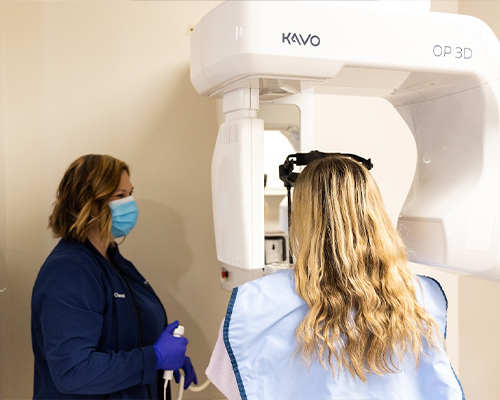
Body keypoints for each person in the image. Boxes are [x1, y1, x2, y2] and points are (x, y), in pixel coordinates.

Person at [206, 154, 464, 400]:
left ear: (302, 218)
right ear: (374, 214)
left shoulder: (256, 303)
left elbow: (235, 385)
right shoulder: (423, 295)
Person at [31, 154, 197, 400]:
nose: (130, 203)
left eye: (130, 194)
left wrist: (165, 359)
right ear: (88, 202)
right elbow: (73, 371)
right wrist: (155, 358)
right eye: (120, 196)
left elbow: (125, 333)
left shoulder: (114, 262)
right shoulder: (69, 271)